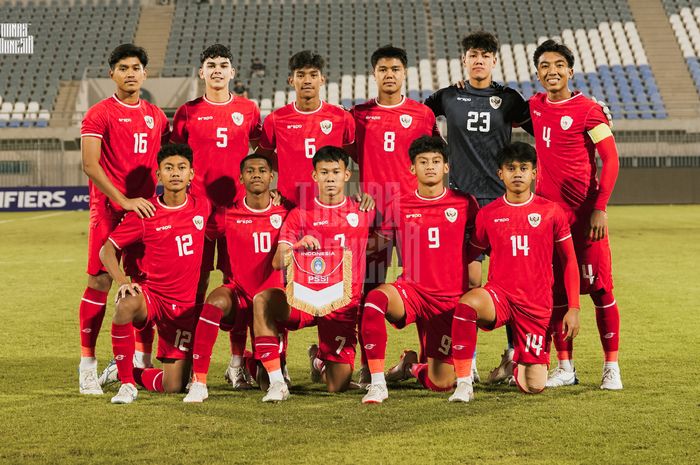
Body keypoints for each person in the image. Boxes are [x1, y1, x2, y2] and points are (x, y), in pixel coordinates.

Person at [424, 31, 532, 383]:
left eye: (486, 55)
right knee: (463, 282)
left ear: (495, 61)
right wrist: (441, 150)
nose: (479, 60)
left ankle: (513, 356)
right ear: (465, 60)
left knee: (510, 282)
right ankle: (459, 359)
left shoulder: (509, 99)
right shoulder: (448, 96)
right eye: (474, 54)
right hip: (459, 203)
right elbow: (418, 120)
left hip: (500, 203)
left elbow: (542, 129)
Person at [449, 142, 580, 402]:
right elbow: (469, 255)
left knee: (533, 386)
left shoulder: (552, 212)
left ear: (534, 173)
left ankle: (513, 364)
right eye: (510, 168)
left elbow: (570, 261)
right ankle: (464, 383)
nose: (517, 173)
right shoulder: (488, 214)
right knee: (466, 306)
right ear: (500, 174)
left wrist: (573, 307)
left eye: (523, 168)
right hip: (500, 296)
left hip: (535, 304)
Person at [529, 40, 622, 390]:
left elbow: (611, 159)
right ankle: (565, 366)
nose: (551, 71)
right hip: (550, 222)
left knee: (600, 290)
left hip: (585, 220)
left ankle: (611, 366)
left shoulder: (588, 110)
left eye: (558, 65)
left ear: (570, 70)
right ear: (537, 73)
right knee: (554, 295)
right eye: (544, 66)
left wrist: (600, 207)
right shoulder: (535, 107)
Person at [78, 43, 170, 395]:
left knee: (143, 286)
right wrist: (123, 200)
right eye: (123, 68)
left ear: (145, 73)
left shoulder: (157, 116)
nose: (130, 73)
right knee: (100, 284)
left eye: (136, 68)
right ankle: (87, 365)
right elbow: (90, 164)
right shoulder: (99, 113)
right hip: (109, 209)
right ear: (111, 73)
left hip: (145, 212)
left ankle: (136, 363)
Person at [361, 136, 479, 404]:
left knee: (442, 382)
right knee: (374, 302)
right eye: (423, 162)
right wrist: (350, 224)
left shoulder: (464, 203)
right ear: (412, 168)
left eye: (436, 161)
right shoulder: (399, 203)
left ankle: (412, 365)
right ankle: (377, 384)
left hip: (449, 300)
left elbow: (478, 244)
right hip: (412, 290)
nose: (430, 167)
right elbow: (377, 243)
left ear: (446, 167)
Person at [253, 146, 376, 402]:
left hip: (342, 304)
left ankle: (319, 360)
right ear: (314, 176)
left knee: (337, 385)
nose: (330, 178)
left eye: (335, 172)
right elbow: (277, 261)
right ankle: (277, 383)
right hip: (304, 298)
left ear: (347, 175)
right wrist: (296, 248)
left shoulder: (363, 212)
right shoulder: (299, 215)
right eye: (324, 172)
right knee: (263, 300)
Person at [350, 45, 442, 387]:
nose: (389, 74)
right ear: (374, 74)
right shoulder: (357, 116)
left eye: (395, 69)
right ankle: (367, 364)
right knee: (367, 290)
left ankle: (430, 361)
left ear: (405, 74)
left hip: (413, 217)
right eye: (383, 69)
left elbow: (433, 161)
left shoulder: (422, 115)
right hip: (372, 217)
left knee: (422, 288)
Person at [172, 44, 263, 378]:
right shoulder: (187, 112)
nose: (217, 71)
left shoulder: (249, 110)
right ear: (202, 72)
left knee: (237, 286)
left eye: (223, 65)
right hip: (195, 213)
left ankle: (237, 362)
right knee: (193, 286)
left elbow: (260, 152)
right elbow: (176, 158)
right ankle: (187, 358)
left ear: (232, 72)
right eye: (211, 65)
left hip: (237, 214)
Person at [98, 144, 211, 404]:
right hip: (152, 297)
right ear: (158, 175)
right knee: (125, 304)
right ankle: (126, 385)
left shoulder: (202, 206)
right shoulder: (144, 213)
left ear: (192, 174)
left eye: (182, 168)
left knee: (173, 386)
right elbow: (107, 250)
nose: (175, 173)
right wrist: (123, 281)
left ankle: (130, 372)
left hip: (183, 307)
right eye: (168, 168)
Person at [183, 154, 291, 403]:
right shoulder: (226, 214)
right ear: (241, 177)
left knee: (265, 380)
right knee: (213, 302)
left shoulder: (286, 211)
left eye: (262, 170)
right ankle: (199, 382)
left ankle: (252, 363)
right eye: (250, 171)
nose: (256, 174)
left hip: (273, 298)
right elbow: (199, 233)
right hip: (239, 293)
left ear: (271, 177)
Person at [256, 50, 356, 207]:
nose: (307, 80)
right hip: (288, 205)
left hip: (329, 205)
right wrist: (285, 167)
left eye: (313, 75)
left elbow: (359, 158)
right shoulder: (275, 120)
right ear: (291, 80)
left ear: (322, 80)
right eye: (301, 75)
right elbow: (260, 159)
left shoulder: (341, 118)